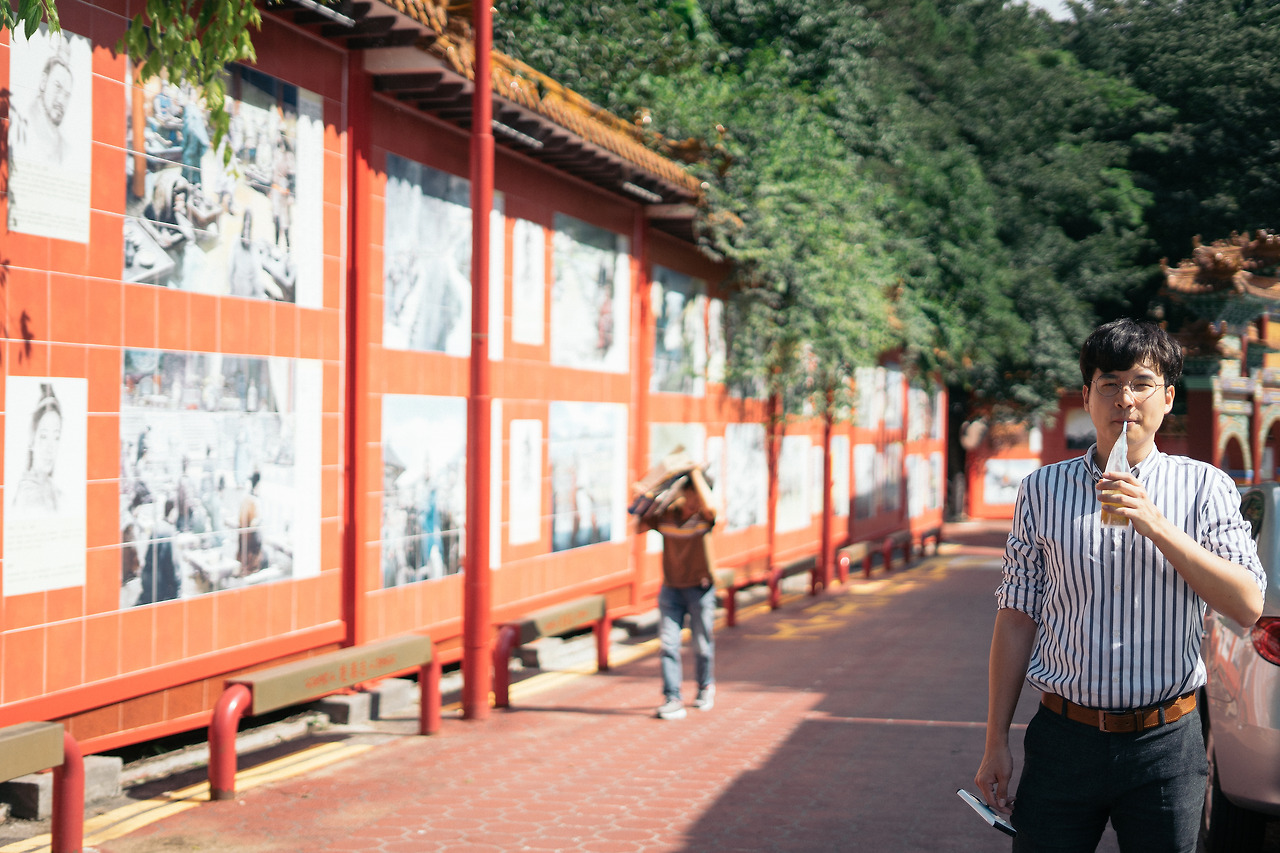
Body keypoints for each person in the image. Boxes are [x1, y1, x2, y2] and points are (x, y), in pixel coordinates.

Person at [974, 318, 1267, 852]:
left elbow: (1247, 604)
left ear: (1168, 397)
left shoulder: (1206, 487)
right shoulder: (1042, 490)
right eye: (1109, 384)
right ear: (1087, 397)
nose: (1125, 399)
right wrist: (996, 741)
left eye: (1141, 383)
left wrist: (1156, 525)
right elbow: (1016, 616)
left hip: (1166, 741)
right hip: (1063, 738)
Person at [638, 462, 718, 721]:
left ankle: (705, 686)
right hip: (671, 589)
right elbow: (638, 522)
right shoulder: (667, 515)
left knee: (702, 644)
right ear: (683, 491)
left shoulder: (703, 517)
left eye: (699, 493)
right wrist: (661, 483)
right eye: (691, 492)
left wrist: (694, 472)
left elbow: (712, 508)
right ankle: (672, 698)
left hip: (700, 589)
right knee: (669, 644)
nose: (695, 499)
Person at [8, 40, 73, 166]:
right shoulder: (21, 123)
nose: (61, 100)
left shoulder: (65, 149)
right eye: (57, 87)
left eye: (66, 95)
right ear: (43, 82)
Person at [11, 383, 63, 514]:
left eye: (56, 437)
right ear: (32, 439)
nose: (50, 448)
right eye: (44, 436)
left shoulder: (56, 493)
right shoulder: (29, 494)